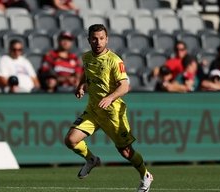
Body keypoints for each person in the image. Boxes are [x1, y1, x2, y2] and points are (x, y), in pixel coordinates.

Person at [64, 24, 153, 192]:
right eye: (94, 38)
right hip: (93, 111)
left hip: (112, 113)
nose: (98, 42)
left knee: (126, 152)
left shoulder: (114, 60)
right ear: (88, 39)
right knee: (71, 140)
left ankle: (145, 175)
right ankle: (91, 160)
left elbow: (125, 86)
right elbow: (86, 72)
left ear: (107, 39)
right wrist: (81, 85)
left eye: (101, 38)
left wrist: (110, 97)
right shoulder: (87, 57)